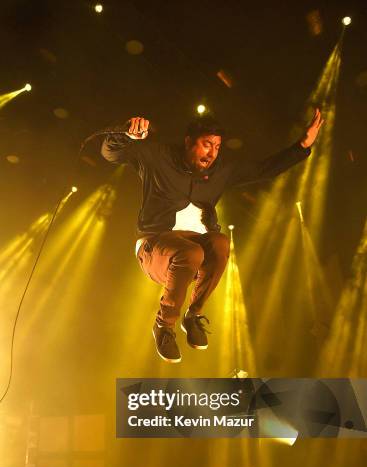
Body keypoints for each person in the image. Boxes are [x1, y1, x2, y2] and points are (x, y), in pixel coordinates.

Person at [101, 110, 323, 363]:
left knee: (219, 243)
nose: (212, 153)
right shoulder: (157, 157)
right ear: (188, 141)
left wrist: (302, 146)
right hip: (155, 248)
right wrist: (125, 134)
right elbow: (111, 153)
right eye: (206, 145)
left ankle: (193, 316)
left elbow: (264, 169)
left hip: (193, 259)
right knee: (191, 252)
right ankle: (164, 326)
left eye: (217, 147)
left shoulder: (221, 170)